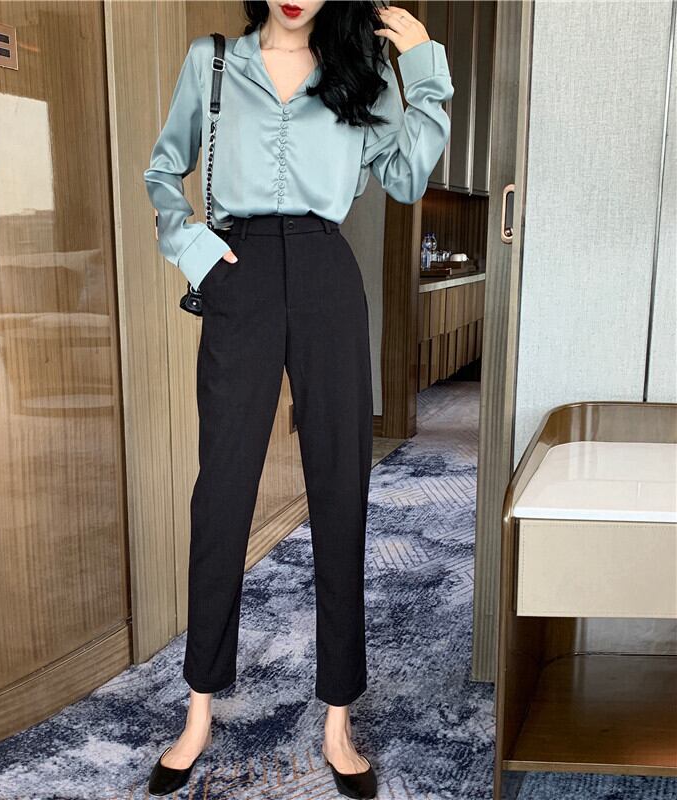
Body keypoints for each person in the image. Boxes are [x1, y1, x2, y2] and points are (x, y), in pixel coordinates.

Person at [143, 2, 453, 797]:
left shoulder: (358, 71)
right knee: (222, 493)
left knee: (341, 489)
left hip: (325, 275)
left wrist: (423, 68)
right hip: (237, 274)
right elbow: (162, 171)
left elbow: (407, 175)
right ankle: (198, 711)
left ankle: (338, 718)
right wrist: (194, 250)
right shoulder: (213, 62)